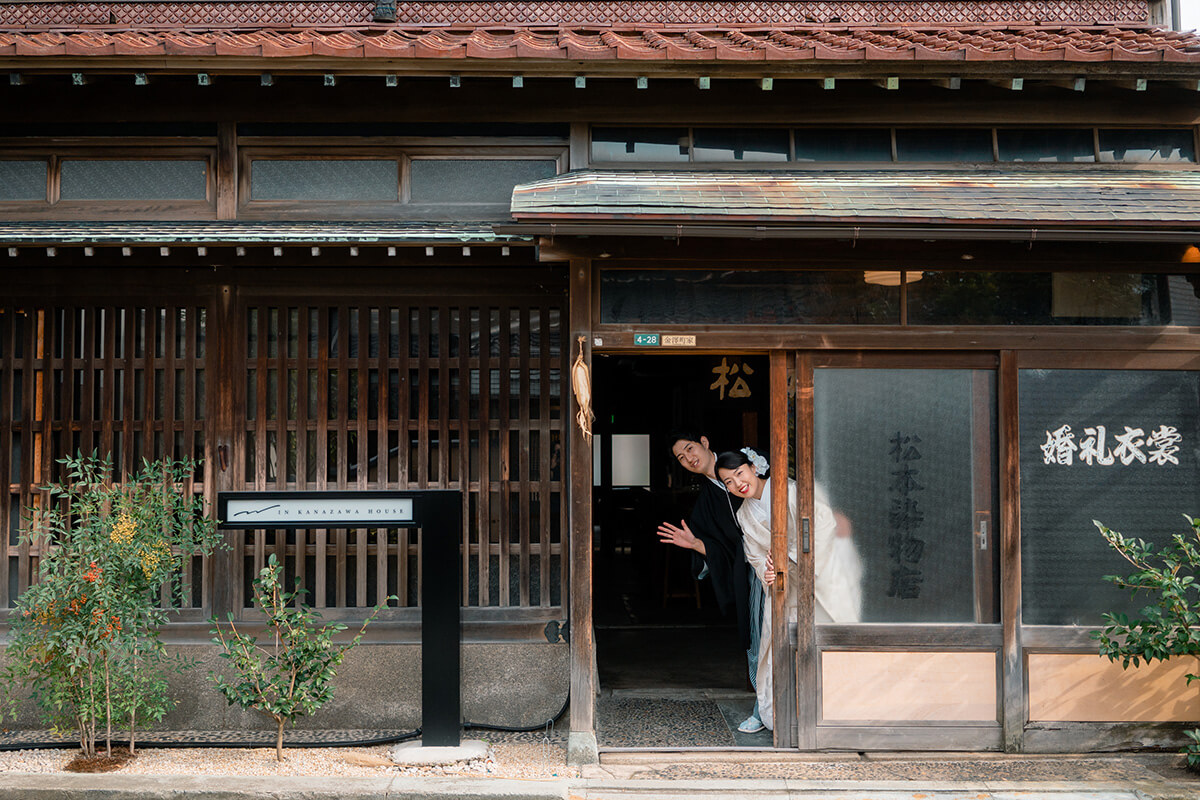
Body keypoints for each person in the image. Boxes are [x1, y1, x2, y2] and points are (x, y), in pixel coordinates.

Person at [715, 448, 862, 732]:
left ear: (753, 468)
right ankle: (786, 713)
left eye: (739, 473)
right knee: (779, 644)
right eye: (729, 482)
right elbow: (756, 556)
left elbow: (824, 524)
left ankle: (838, 708)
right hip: (785, 583)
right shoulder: (745, 515)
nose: (737, 483)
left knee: (828, 633)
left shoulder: (790, 490)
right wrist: (768, 572)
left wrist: (789, 554)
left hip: (822, 573)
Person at [656, 430, 766, 734]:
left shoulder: (742, 461)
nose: (689, 458)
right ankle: (763, 709)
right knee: (757, 642)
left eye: (690, 449)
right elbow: (724, 550)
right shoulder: (706, 501)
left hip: (786, 558)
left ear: (704, 442)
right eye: (681, 457)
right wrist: (697, 545)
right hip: (754, 575)